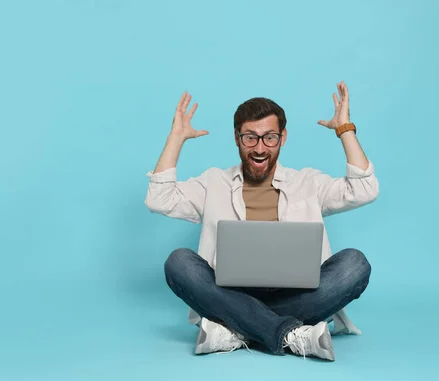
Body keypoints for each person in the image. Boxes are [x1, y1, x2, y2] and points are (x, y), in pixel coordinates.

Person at [145, 81, 378, 361]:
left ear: (283, 138)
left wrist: (344, 130)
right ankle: (290, 335)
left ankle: (238, 330)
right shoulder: (213, 183)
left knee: (355, 264)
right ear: (236, 138)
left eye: (270, 137)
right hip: (229, 294)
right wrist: (176, 137)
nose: (259, 148)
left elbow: (365, 189)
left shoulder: (307, 182)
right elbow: (159, 198)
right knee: (178, 262)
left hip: (294, 297)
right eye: (250, 137)